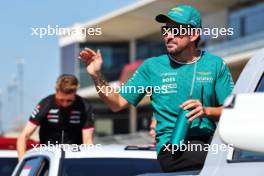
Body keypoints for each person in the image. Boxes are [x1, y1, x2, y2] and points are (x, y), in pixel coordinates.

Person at [79, 5, 234, 172]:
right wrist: (96, 75)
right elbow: (117, 102)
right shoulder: (152, 67)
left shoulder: (215, 64)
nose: (168, 36)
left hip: (210, 142)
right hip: (172, 148)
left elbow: (234, 111)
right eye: (165, 30)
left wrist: (206, 111)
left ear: (194, 34)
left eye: (175, 30)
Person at [17, 74, 95, 160]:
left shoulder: (84, 106)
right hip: (47, 157)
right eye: (61, 100)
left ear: (75, 92)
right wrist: (22, 163)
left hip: (73, 157)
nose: (65, 104)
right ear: (56, 91)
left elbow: (88, 142)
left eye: (69, 100)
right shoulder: (46, 104)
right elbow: (23, 137)